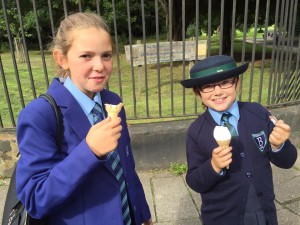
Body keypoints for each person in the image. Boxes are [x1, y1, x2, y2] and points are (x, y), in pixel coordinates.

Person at [16, 12, 153, 225]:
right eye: (86, 56)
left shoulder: (112, 102)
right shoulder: (40, 115)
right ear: (61, 59)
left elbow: (126, 167)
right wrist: (89, 151)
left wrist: (142, 212)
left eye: (106, 55)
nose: (99, 65)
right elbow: (36, 198)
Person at [180, 55, 297, 225]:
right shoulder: (196, 131)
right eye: (208, 86)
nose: (218, 91)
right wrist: (213, 166)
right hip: (222, 217)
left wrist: (279, 145)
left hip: (264, 212)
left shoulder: (257, 113)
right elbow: (194, 180)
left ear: (237, 83)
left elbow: (288, 161)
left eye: (225, 82)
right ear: (198, 92)